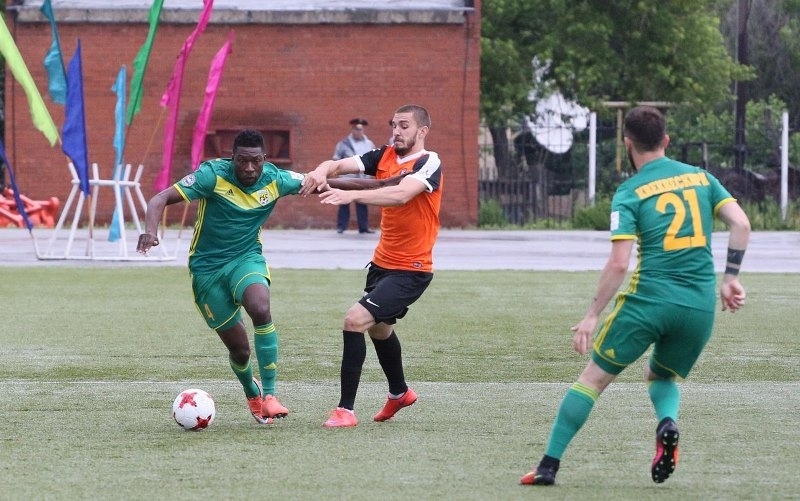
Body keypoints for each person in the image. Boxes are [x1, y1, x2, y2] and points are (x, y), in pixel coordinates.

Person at [520, 106, 751, 486]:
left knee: (592, 380)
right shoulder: (702, 178)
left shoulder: (630, 192)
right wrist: (730, 278)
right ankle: (667, 423)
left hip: (649, 302)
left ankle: (548, 467)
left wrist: (592, 314)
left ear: (627, 143)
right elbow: (741, 223)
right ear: (666, 140)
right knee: (660, 374)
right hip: (698, 306)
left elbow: (618, 263)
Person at [136, 129, 305, 425]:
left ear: (264, 159)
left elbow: (324, 182)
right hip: (207, 271)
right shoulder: (212, 176)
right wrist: (150, 231)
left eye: (256, 161)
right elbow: (159, 199)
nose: (249, 168)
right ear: (232, 158)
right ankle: (251, 390)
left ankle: (270, 396)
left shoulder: (276, 179)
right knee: (240, 350)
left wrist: (380, 182)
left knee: (260, 308)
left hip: (245, 259)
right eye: (242, 161)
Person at [300, 104, 442, 428]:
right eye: (394, 125)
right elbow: (339, 165)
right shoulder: (383, 155)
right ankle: (400, 393)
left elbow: (401, 194)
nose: (396, 131)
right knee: (380, 329)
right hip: (381, 264)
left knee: (355, 320)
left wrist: (352, 197)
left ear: (422, 131)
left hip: (412, 268)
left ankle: (345, 411)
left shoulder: (429, 162)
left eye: (404, 126)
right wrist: (322, 171)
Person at [333, 118, 376, 234]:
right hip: (346, 178)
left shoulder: (369, 144)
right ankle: (341, 226)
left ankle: (364, 227)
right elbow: (336, 159)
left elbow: (373, 160)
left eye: (360, 129)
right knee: (343, 201)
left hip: (362, 179)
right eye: (356, 129)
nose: (358, 132)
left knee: (362, 201)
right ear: (352, 130)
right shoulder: (343, 144)